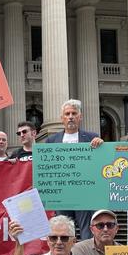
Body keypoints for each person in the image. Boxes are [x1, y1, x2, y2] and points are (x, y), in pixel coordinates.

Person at [46, 99, 104, 240]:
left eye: (74, 113)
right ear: (62, 118)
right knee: (63, 231)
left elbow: (101, 162)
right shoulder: (51, 141)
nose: (70, 116)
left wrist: (102, 145)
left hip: (84, 194)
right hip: (61, 194)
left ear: (80, 116)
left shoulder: (91, 137)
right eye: (67, 114)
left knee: (86, 231)